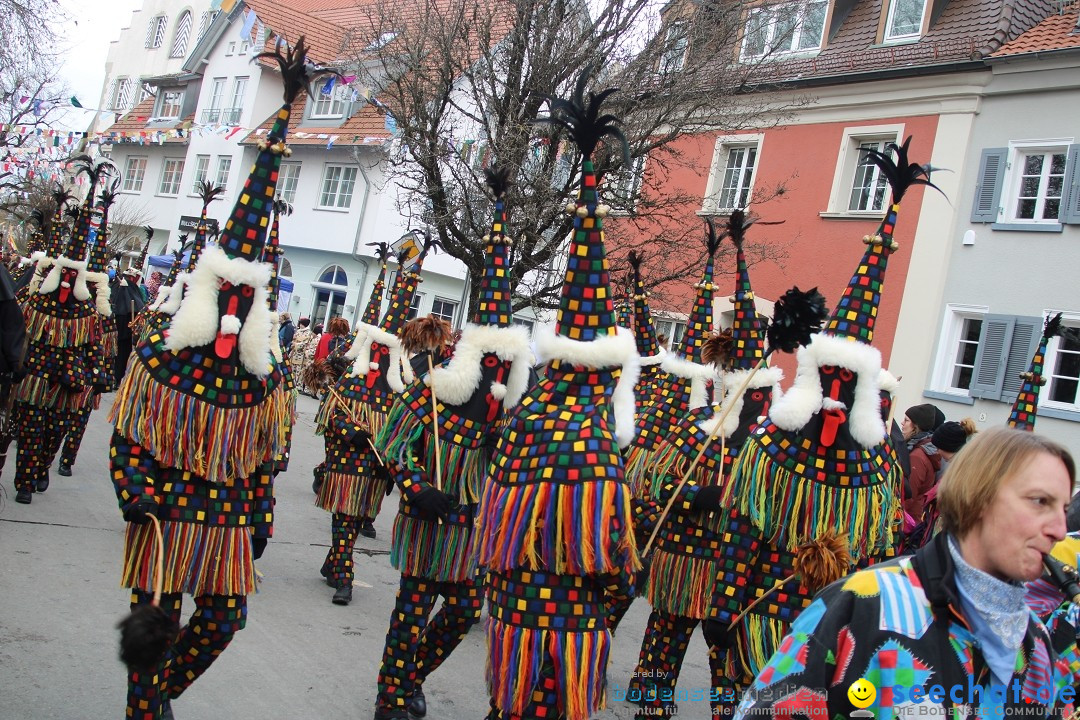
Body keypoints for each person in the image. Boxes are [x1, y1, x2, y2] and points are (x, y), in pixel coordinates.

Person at [107, 40, 309, 720]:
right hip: (161, 513)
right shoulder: (163, 356)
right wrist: (132, 493)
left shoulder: (262, 380)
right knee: (150, 630)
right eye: (227, 295)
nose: (233, 308)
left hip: (222, 521)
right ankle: (146, 707)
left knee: (222, 624)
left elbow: (262, 463)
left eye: (244, 302)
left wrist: (260, 520)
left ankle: (159, 694)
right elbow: (129, 435)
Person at [734, 427, 1076, 718]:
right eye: (1039, 501)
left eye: (1064, 507)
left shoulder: (1034, 640)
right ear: (979, 496)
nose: (1060, 529)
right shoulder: (862, 604)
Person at [373, 170, 533, 720]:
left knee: (464, 611)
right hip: (428, 520)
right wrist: (417, 488)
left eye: (505, 366)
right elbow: (393, 445)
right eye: (491, 363)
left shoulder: (507, 421)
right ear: (473, 360)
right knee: (412, 608)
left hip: (472, 533)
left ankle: (411, 676)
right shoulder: (432, 397)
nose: (498, 375)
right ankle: (389, 695)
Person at [901, 403, 942, 523]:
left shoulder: (917, 457)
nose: (902, 423)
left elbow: (908, 495)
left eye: (906, 420)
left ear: (916, 426)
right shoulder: (920, 449)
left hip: (908, 520)